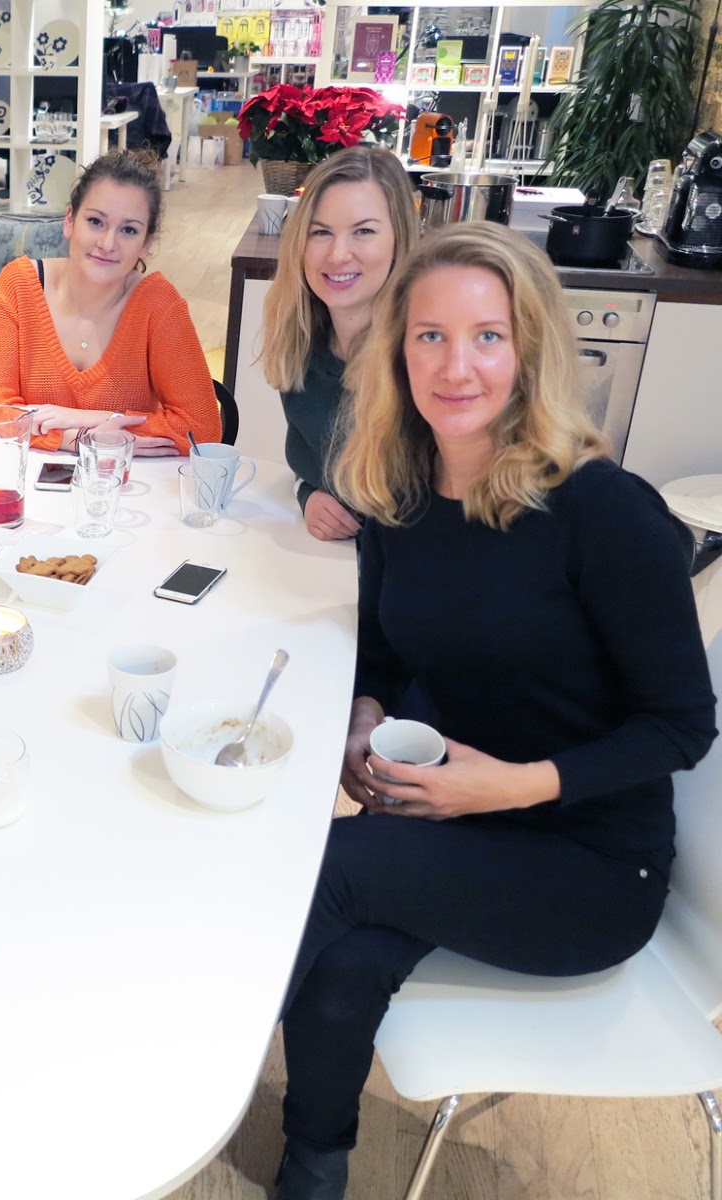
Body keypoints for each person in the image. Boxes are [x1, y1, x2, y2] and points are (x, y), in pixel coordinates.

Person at [271, 223, 716, 1200]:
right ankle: (313, 1163)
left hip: (591, 863)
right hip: (456, 820)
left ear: (530, 351)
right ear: (397, 351)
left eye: (487, 336)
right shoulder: (400, 490)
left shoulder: (605, 512)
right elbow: (386, 646)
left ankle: (169, 1058)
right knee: (342, 964)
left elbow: (684, 724)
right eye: (429, 336)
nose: (455, 365)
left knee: (327, 868)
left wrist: (509, 787)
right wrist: (366, 712)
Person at [0, 148, 221, 454]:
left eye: (128, 230)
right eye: (95, 221)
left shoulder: (159, 304)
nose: (107, 243)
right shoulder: (18, 285)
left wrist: (91, 419)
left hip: (125, 480)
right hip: (27, 479)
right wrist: (79, 438)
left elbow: (203, 430)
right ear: (69, 220)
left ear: (146, 243)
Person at [259, 146, 418, 541]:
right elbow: (312, 464)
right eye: (321, 232)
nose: (337, 254)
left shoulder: (422, 358)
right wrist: (308, 494)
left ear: (399, 240)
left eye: (363, 231)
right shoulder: (301, 343)